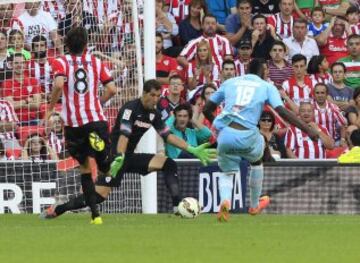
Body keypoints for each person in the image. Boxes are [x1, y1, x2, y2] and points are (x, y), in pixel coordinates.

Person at [41, 79, 215, 219]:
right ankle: (59, 209)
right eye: (152, 95)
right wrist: (119, 157)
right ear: (144, 93)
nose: (155, 99)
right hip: (116, 157)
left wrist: (191, 149)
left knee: (169, 163)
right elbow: (124, 136)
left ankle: (178, 206)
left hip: (130, 157)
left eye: (158, 96)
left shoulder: (154, 114)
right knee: (98, 197)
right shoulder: (130, 110)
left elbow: (168, 136)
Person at [203, 58, 319, 221]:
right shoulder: (266, 86)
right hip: (248, 134)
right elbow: (282, 112)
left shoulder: (230, 83)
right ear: (263, 71)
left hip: (226, 133)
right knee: (257, 161)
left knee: (227, 172)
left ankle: (224, 203)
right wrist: (308, 129)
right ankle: (254, 205)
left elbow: (207, 109)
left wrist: (219, 128)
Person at [44, 27, 117, 224]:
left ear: (67, 44)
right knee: (104, 167)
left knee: (84, 168)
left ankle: (96, 216)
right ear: (86, 45)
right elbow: (112, 89)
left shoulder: (60, 61)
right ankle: (102, 156)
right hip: (95, 118)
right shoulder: (96, 62)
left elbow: (59, 84)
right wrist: (97, 103)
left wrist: (50, 109)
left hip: (74, 124)